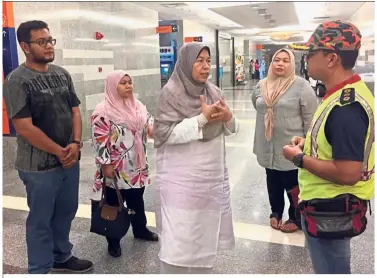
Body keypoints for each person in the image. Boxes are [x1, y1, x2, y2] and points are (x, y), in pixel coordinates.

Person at [282, 20, 374, 274]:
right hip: (326, 207)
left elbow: (347, 173)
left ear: (331, 58)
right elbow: (334, 144)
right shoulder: (339, 94)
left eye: (312, 53)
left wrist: (299, 158)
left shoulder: (347, 107)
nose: (307, 59)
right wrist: (308, 145)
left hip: (332, 210)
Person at [2, 20, 93, 274]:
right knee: (41, 220)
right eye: (41, 42)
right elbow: (24, 127)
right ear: (24, 46)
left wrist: (75, 144)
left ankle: (61, 255)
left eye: (50, 40)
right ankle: (40, 268)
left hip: (68, 160)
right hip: (38, 167)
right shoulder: (16, 81)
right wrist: (59, 151)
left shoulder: (61, 74)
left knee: (66, 212)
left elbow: (75, 111)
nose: (49, 46)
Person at [153, 42, 238, 274]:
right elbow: (164, 135)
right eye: (199, 61)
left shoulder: (214, 92)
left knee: (204, 237)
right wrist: (200, 120)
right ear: (186, 63)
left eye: (208, 61)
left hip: (209, 181)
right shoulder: (170, 94)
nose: (205, 66)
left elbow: (230, 127)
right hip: (180, 181)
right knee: (179, 239)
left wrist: (228, 117)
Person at [91, 70, 158, 258]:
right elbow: (99, 140)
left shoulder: (138, 107)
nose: (128, 86)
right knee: (113, 203)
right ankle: (113, 240)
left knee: (137, 199)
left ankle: (140, 229)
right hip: (115, 167)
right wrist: (105, 165)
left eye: (130, 82)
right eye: (123, 83)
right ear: (113, 86)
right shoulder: (102, 112)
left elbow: (149, 124)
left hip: (136, 167)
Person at [252, 48, 317, 233]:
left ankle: (296, 216)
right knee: (272, 180)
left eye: (285, 60)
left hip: (291, 147)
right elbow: (257, 105)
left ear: (292, 64)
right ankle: (276, 212)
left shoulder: (302, 86)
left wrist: (307, 144)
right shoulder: (262, 85)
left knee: (292, 183)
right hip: (267, 143)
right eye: (276, 60)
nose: (280, 64)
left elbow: (311, 119)